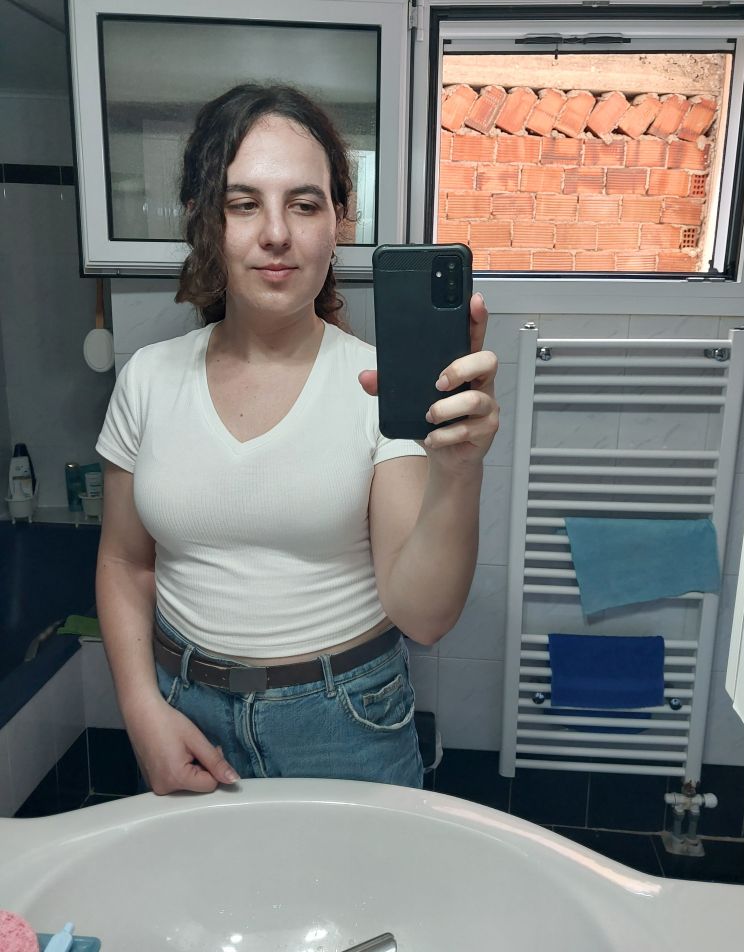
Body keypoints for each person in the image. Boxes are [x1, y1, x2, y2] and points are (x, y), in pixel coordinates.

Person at [95, 83, 499, 796]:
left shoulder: (377, 385)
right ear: (203, 218)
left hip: (346, 724)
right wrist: (140, 708)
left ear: (340, 220)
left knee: (364, 911)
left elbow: (425, 616)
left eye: (304, 203)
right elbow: (126, 564)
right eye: (243, 202)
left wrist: (459, 471)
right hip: (181, 710)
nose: (275, 232)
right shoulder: (147, 381)